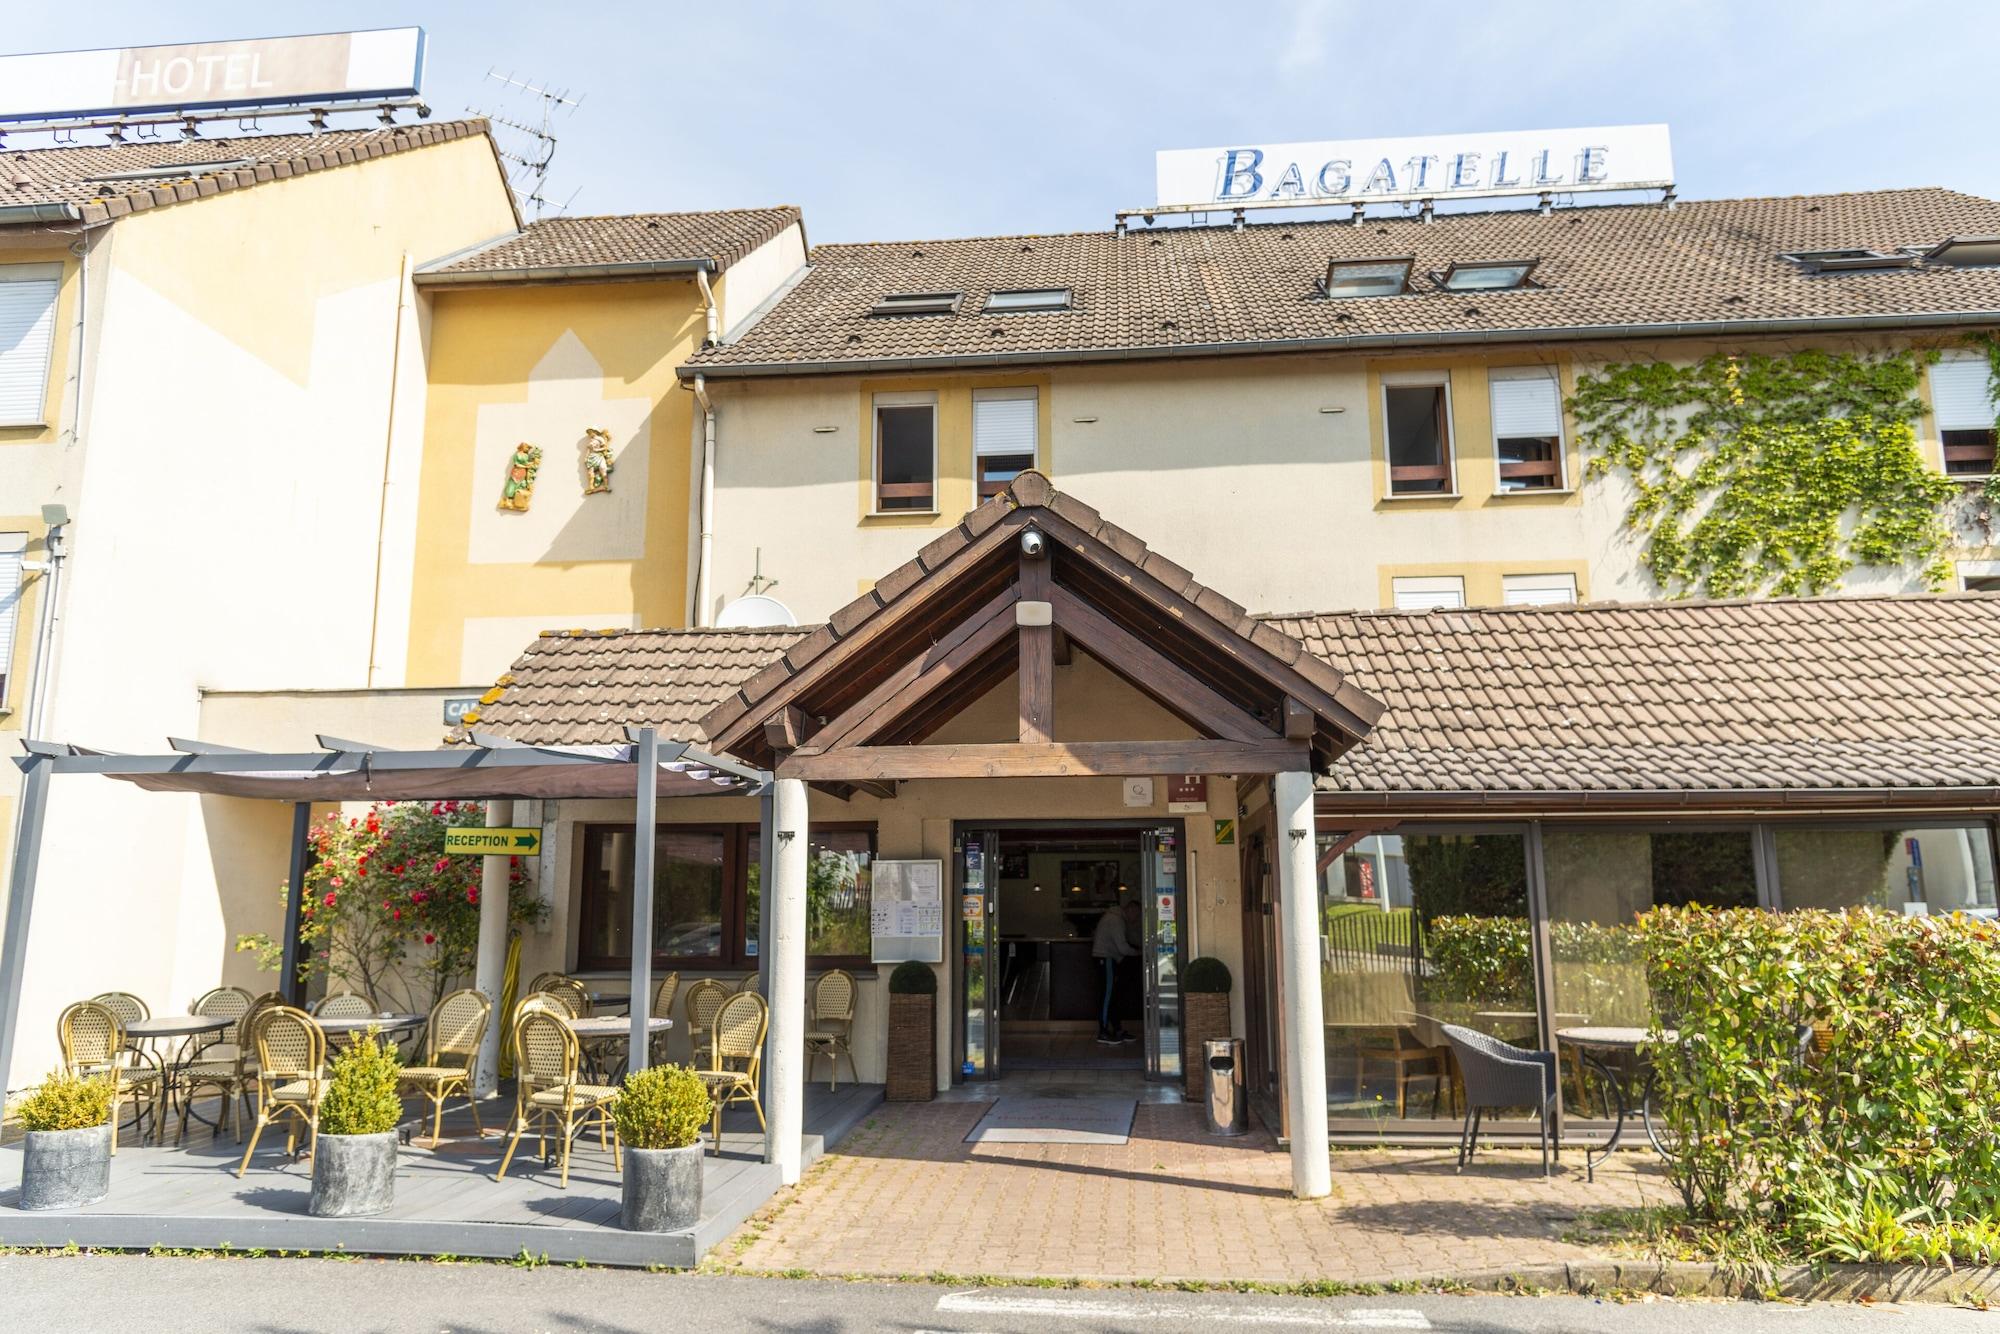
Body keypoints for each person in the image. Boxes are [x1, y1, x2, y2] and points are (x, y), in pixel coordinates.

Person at [1092, 898, 1141, 1045]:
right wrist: (1139, 952)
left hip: (1106, 959)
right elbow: (1122, 947)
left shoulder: (1116, 918)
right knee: (1108, 996)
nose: (1136, 919)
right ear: (1130, 909)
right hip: (1105, 958)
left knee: (1111, 995)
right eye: (1137, 915)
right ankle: (1103, 1032)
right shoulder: (1116, 920)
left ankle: (1116, 1029)